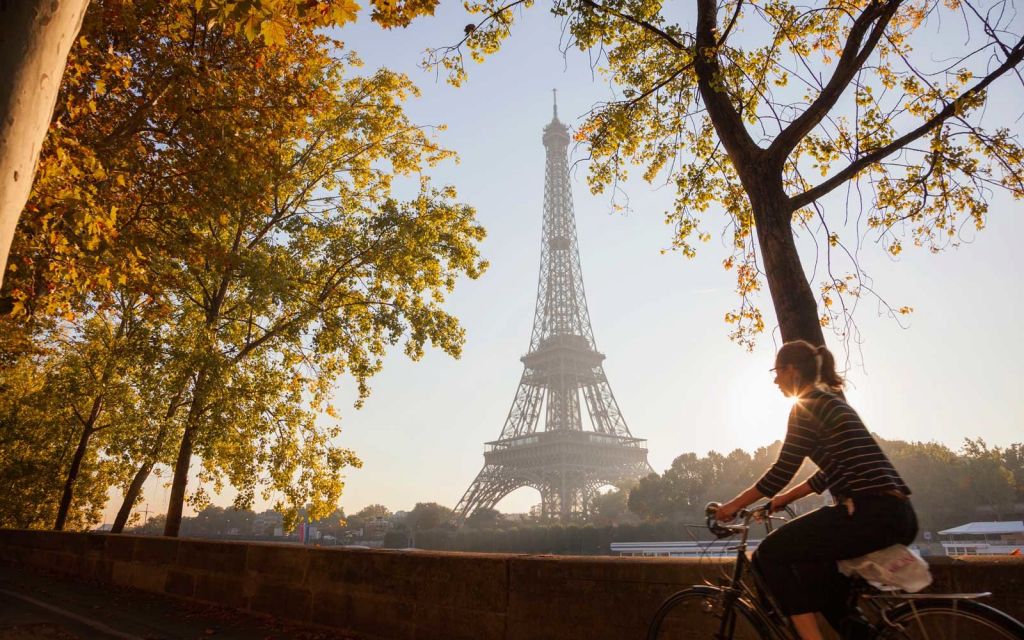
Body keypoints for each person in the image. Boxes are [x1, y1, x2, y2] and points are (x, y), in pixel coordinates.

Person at [715, 340, 917, 640]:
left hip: (867, 514)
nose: (774, 379)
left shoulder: (807, 407)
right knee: (826, 590)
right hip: (899, 514)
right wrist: (784, 499)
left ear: (792, 370)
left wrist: (730, 507)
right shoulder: (832, 401)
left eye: (777, 371)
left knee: (768, 555)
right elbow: (830, 473)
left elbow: (779, 472)